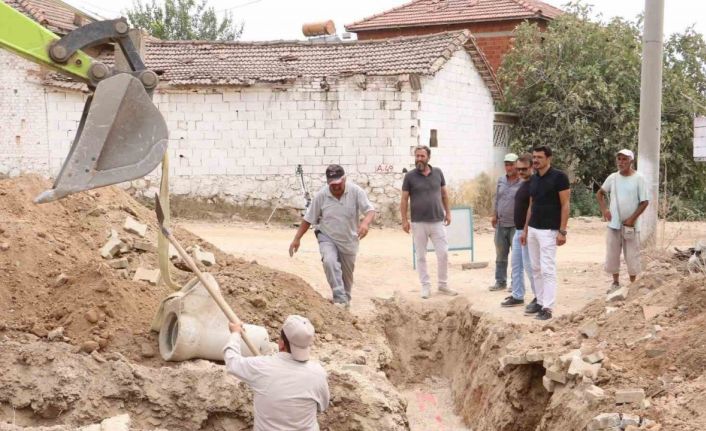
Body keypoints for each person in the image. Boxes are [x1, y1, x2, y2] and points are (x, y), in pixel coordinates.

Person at [289, 164, 375, 309]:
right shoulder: (321, 196)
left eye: (338, 183)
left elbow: (370, 210)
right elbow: (309, 219)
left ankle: (344, 305)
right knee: (329, 261)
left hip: (349, 240)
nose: (335, 187)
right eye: (331, 184)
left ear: (344, 179)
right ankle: (339, 299)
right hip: (327, 237)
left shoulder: (356, 191)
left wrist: (365, 223)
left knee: (347, 281)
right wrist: (296, 239)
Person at [224, 315, 330, 431]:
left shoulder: (261, 366)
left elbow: (232, 361)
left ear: (281, 343)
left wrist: (235, 334)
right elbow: (322, 406)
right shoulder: (318, 373)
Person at [400, 145, 458, 299]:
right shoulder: (410, 177)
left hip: (437, 220)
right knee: (420, 256)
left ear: (428, 157)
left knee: (443, 253)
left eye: (422, 156)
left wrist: (448, 212)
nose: (419, 159)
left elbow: (444, 194)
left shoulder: (438, 172)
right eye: (417, 156)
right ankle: (425, 286)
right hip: (418, 223)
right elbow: (404, 199)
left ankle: (443, 285)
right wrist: (404, 220)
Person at [520, 146, 570, 321]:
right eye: (534, 157)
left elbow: (565, 205)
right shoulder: (533, 179)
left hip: (549, 230)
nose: (536, 160)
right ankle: (540, 302)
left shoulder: (560, 178)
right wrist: (525, 230)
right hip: (533, 229)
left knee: (547, 269)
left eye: (539, 157)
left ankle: (548, 308)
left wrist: (562, 231)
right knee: (535, 268)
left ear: (549, 158)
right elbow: (531, 206)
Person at [596, 149, 649, 292]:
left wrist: (632, 219)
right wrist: (605, 210)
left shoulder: (639, 178)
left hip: (631, 226)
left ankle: (633, 285)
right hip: (614, 225)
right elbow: (600, 194)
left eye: (625, 159)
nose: (621, 162)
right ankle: (615, 283)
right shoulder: (612, 178)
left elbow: (644, 202)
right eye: (619, 159)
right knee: (613, 254)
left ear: (631, 161)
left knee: (632, 256)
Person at [501, 153, 537, 309]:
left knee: (530, 266)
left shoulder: (534, 184)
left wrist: (526, 231)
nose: (521, 172)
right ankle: (517, 295)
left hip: (526, 231)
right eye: (519, 169)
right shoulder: (524, 183)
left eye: (524, 169)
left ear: (532, 167)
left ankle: (539, 297)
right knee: (516, 264)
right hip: (519, 230)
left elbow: (532, 208)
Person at [489, 153, 522, 292]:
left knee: (516, 256)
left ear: (517, 165)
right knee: (500, 255)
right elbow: (497, 198)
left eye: (511, 164)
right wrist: (494, 214)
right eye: (506, 164)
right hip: (501, 223)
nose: (508, 167)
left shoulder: (523, 181)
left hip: (516, 224)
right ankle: (500, 281)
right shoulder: (501, 180)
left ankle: (515, 284)